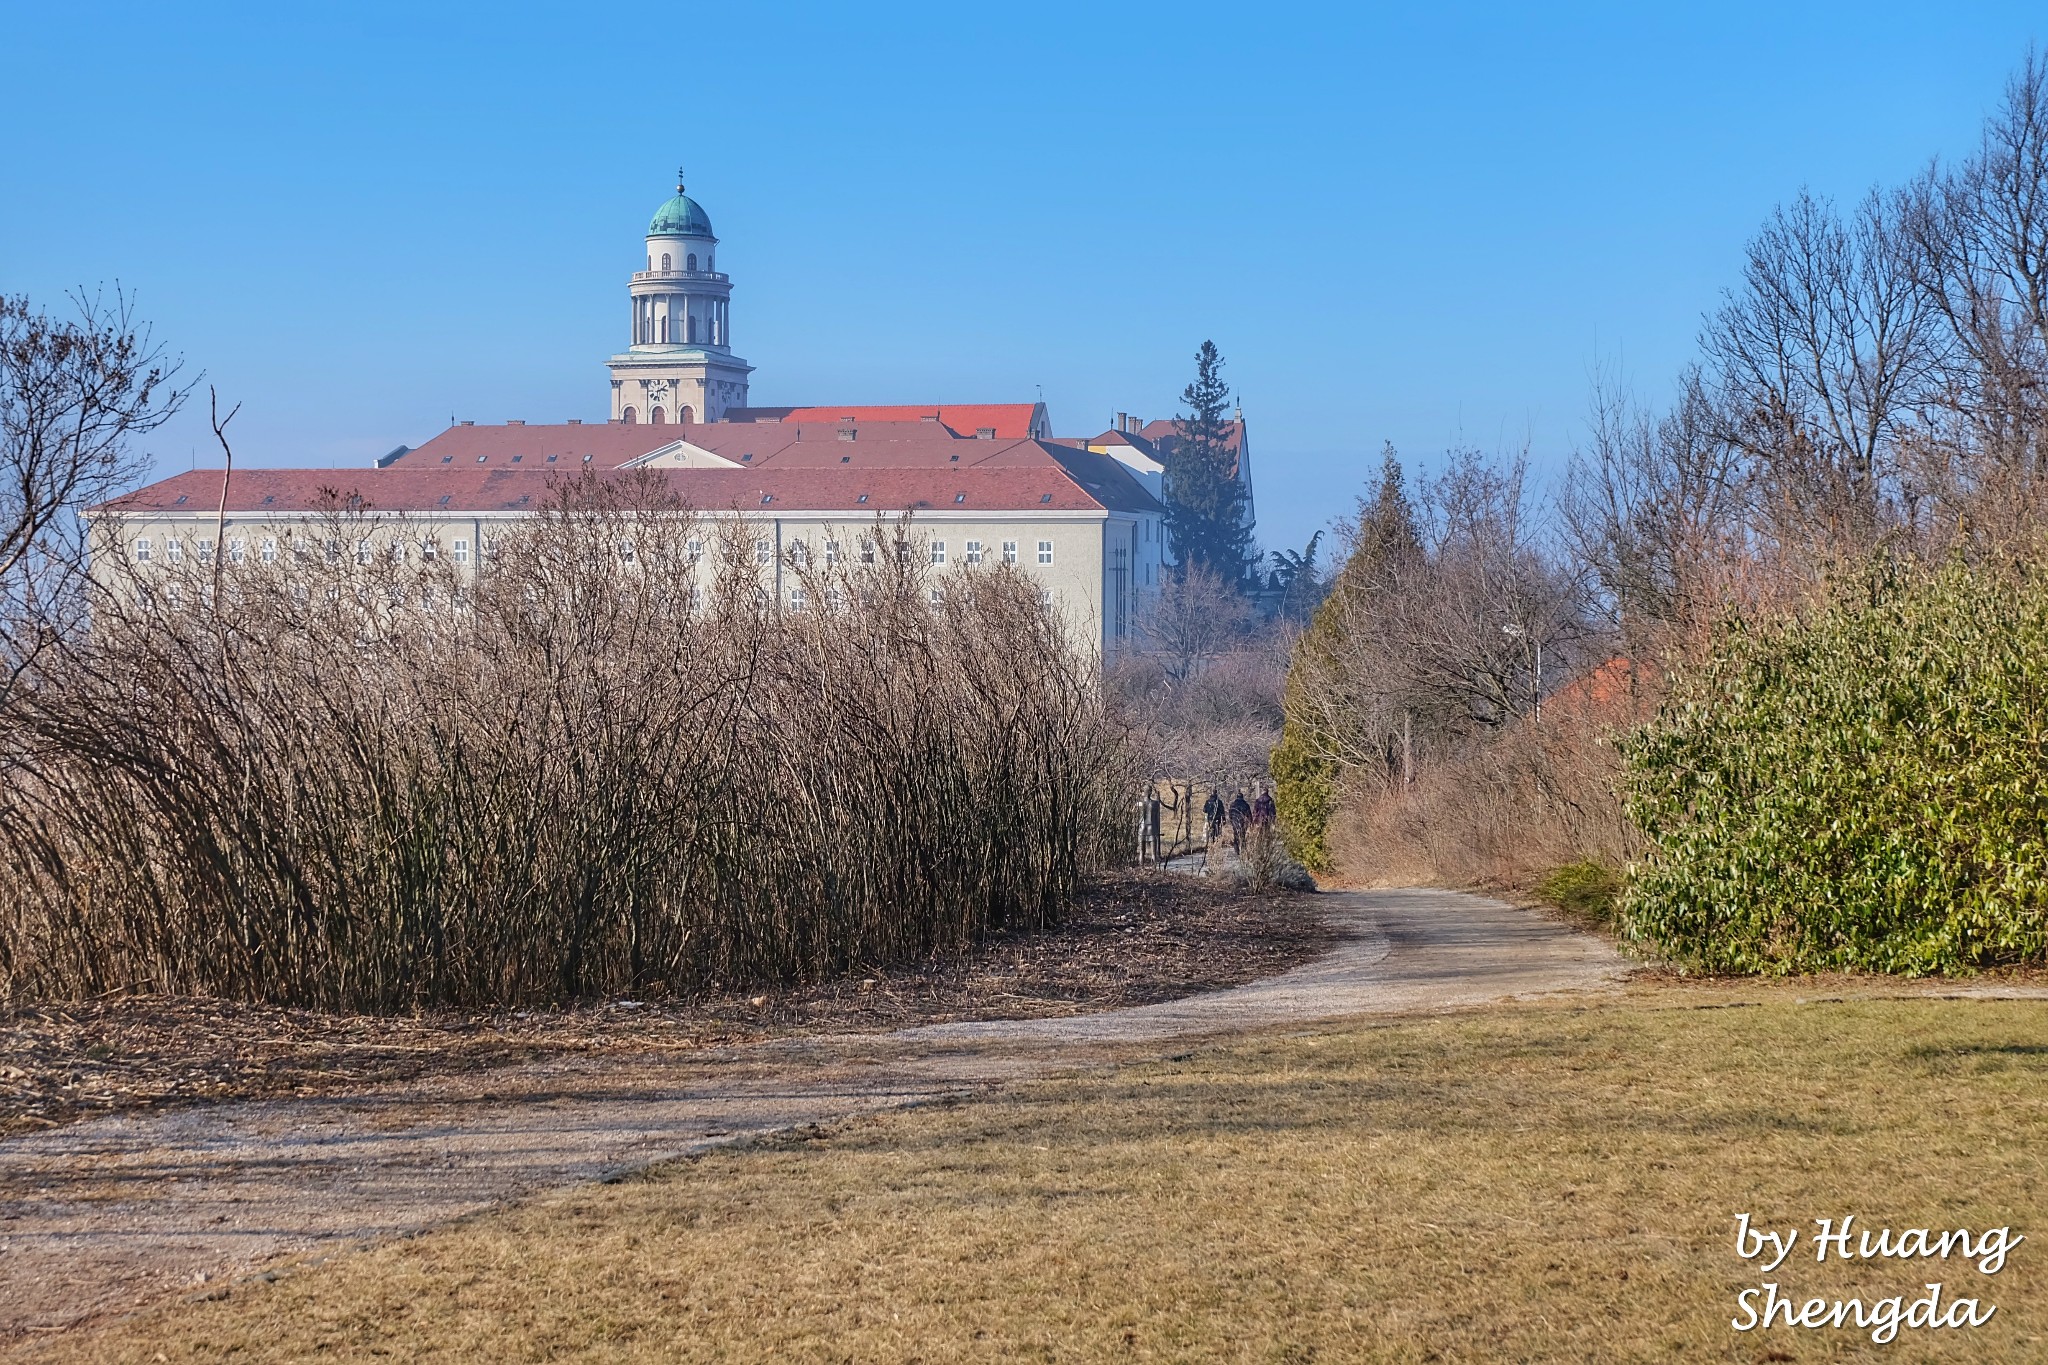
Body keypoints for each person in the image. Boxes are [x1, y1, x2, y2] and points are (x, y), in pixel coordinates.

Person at [1227, 790, 1252, 857]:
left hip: (1235, 823)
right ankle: (1243, 850)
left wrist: (1231, 821)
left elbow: (1230, 814)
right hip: (1243, 823)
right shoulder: (1246, 805)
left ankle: (1237, 850)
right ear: (1242, 797)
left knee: (1236, 836)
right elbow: (1249, 814)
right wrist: (1250, 822)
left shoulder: (1233, 804)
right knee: (1242, 836)